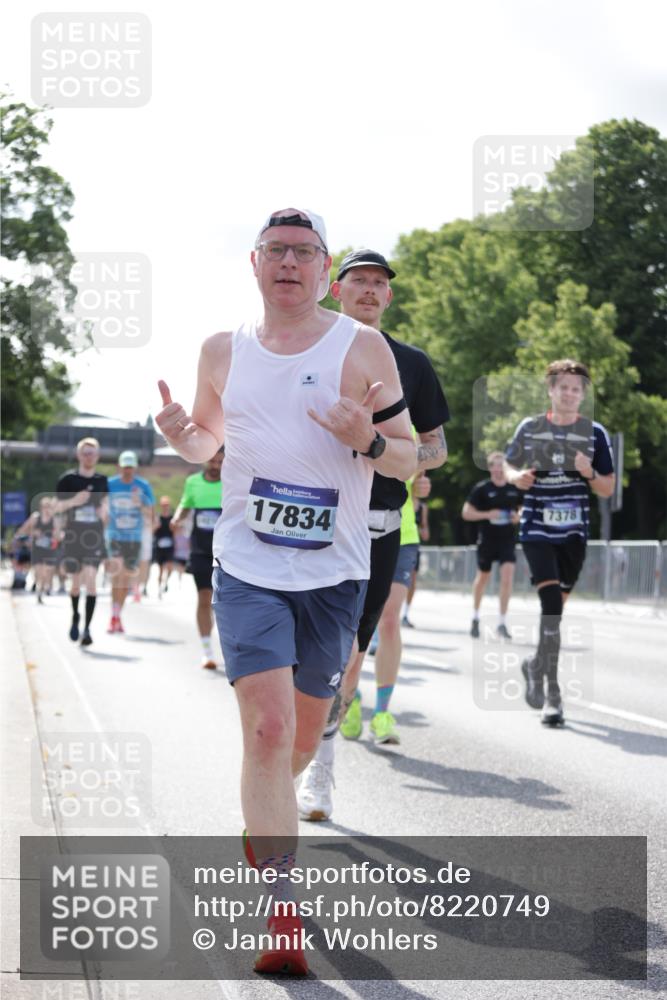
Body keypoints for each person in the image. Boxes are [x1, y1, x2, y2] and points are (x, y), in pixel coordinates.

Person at [155, 210, 417, 975]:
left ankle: (264, 819)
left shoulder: (360, 346)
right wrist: (185, 440)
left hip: (334, 574)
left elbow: (406, 462)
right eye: (276, 251)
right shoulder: (220, 349)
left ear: (325, 269)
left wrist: (365, 439)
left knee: (302, 737)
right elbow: (210, 445)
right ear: (254, 262)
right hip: (246, 565)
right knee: (266, 731)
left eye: (304, 253)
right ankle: (280, 910)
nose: (289, 264)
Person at [297, 248, 449, 823]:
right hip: (310, 522)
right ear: (335, 289)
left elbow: (434, 446)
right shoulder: (303, 349)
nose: (368, 289)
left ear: (389, 297)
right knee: (292, 656)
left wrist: (386, 450)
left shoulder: (410, 362)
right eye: (357, 280)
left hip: (379, 527)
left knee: (348, 658)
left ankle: (321, 769)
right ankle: (278, 759)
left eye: (378, 284)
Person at [504, 359, 615, 725]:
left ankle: (535, 664)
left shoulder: (595, 434)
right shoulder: (530, 428)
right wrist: (517, 476)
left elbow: (607, 487)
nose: (569, 393)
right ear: (550, 390)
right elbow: (507, 467)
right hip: (536, 527)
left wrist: (589, 472)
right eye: (562, 387)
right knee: (550, 603)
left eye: (576, 388)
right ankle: (554, 695)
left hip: (573, 533)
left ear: (583, 395)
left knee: (554, 613)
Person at [170, 450, 224, 669]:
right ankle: (207, 651)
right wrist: (176, 518)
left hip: (227, 552)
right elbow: (185, 504)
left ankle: (229, 650)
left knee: (225, 603)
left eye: (221, 461)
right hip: (201, 549)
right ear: (206, 460)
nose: (216, 465)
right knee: (204, 598)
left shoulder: (232, 480)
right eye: (213, 460)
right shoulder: (193, 482)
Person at [462, 451, 522, 639]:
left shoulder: (515, 488)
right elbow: (466, 513)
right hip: (487, 541)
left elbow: (523, 508)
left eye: (501, 465)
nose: (498, 469)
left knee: (507, 576)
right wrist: (488, 514)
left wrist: (517, 517)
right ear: (489, 468)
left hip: (507, 541)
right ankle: (475, 616)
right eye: (494, 465)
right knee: (483, 578)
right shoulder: (482, 489)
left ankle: (502, 622)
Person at [56, 437, 109, 645]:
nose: (88, 456)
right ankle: (75, 616)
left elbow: (106, 508)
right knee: (76, 584)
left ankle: (87, 629)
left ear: (97, 456)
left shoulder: (101, 481)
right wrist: (74, 501)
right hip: (72, 538)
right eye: (85, 453)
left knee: (91, 581)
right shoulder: (67, 480)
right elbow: (56, 508)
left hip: (93, 539)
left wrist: (103, 512)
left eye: (92, 453)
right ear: (79, 455)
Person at [106, 451, 155, 634]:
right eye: (125, 466)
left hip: (134, 538)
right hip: (115, 536)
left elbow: (150, 512)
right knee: (116, 574)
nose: (127, 470)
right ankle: (113, 615)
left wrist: (140, 504)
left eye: (130, 467)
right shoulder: (110, 484)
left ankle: (118, 615)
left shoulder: (143, 486)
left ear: (135, 467)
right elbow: (101, 505)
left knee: (125, 579)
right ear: (119, 466)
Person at [17, 496, 61, 602]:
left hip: (49, 550)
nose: (47, 509)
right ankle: (39, 592)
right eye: (45, 507)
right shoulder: (35, 518)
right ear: (41, 508)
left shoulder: (54, 520)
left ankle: (42, 589)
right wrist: (33, 533)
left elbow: (58, 537)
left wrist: (55, 534)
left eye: (49, 507)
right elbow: (23, 530)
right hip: (37, 550)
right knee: (39, 572)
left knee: (47, 573)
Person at [401, 480, 431, 627]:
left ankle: (406, 613)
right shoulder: (401, 498)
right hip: (398, 539)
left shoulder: (423, 507)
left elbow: (425, 530)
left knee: (412, 580)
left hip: (412, 543)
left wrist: (423, 531)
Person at [153, 495, 175, 596]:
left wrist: (174, 527)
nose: (165, 506)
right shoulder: (158, 518)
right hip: (159, 546)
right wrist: (156, 526)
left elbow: (176, 532)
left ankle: (166, 583)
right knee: (161, 570)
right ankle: (159, 590)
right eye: (163, 505)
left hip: (170, 546)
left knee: (170, 567)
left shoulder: (172, 518)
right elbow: (153, 531)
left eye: (167, 505)